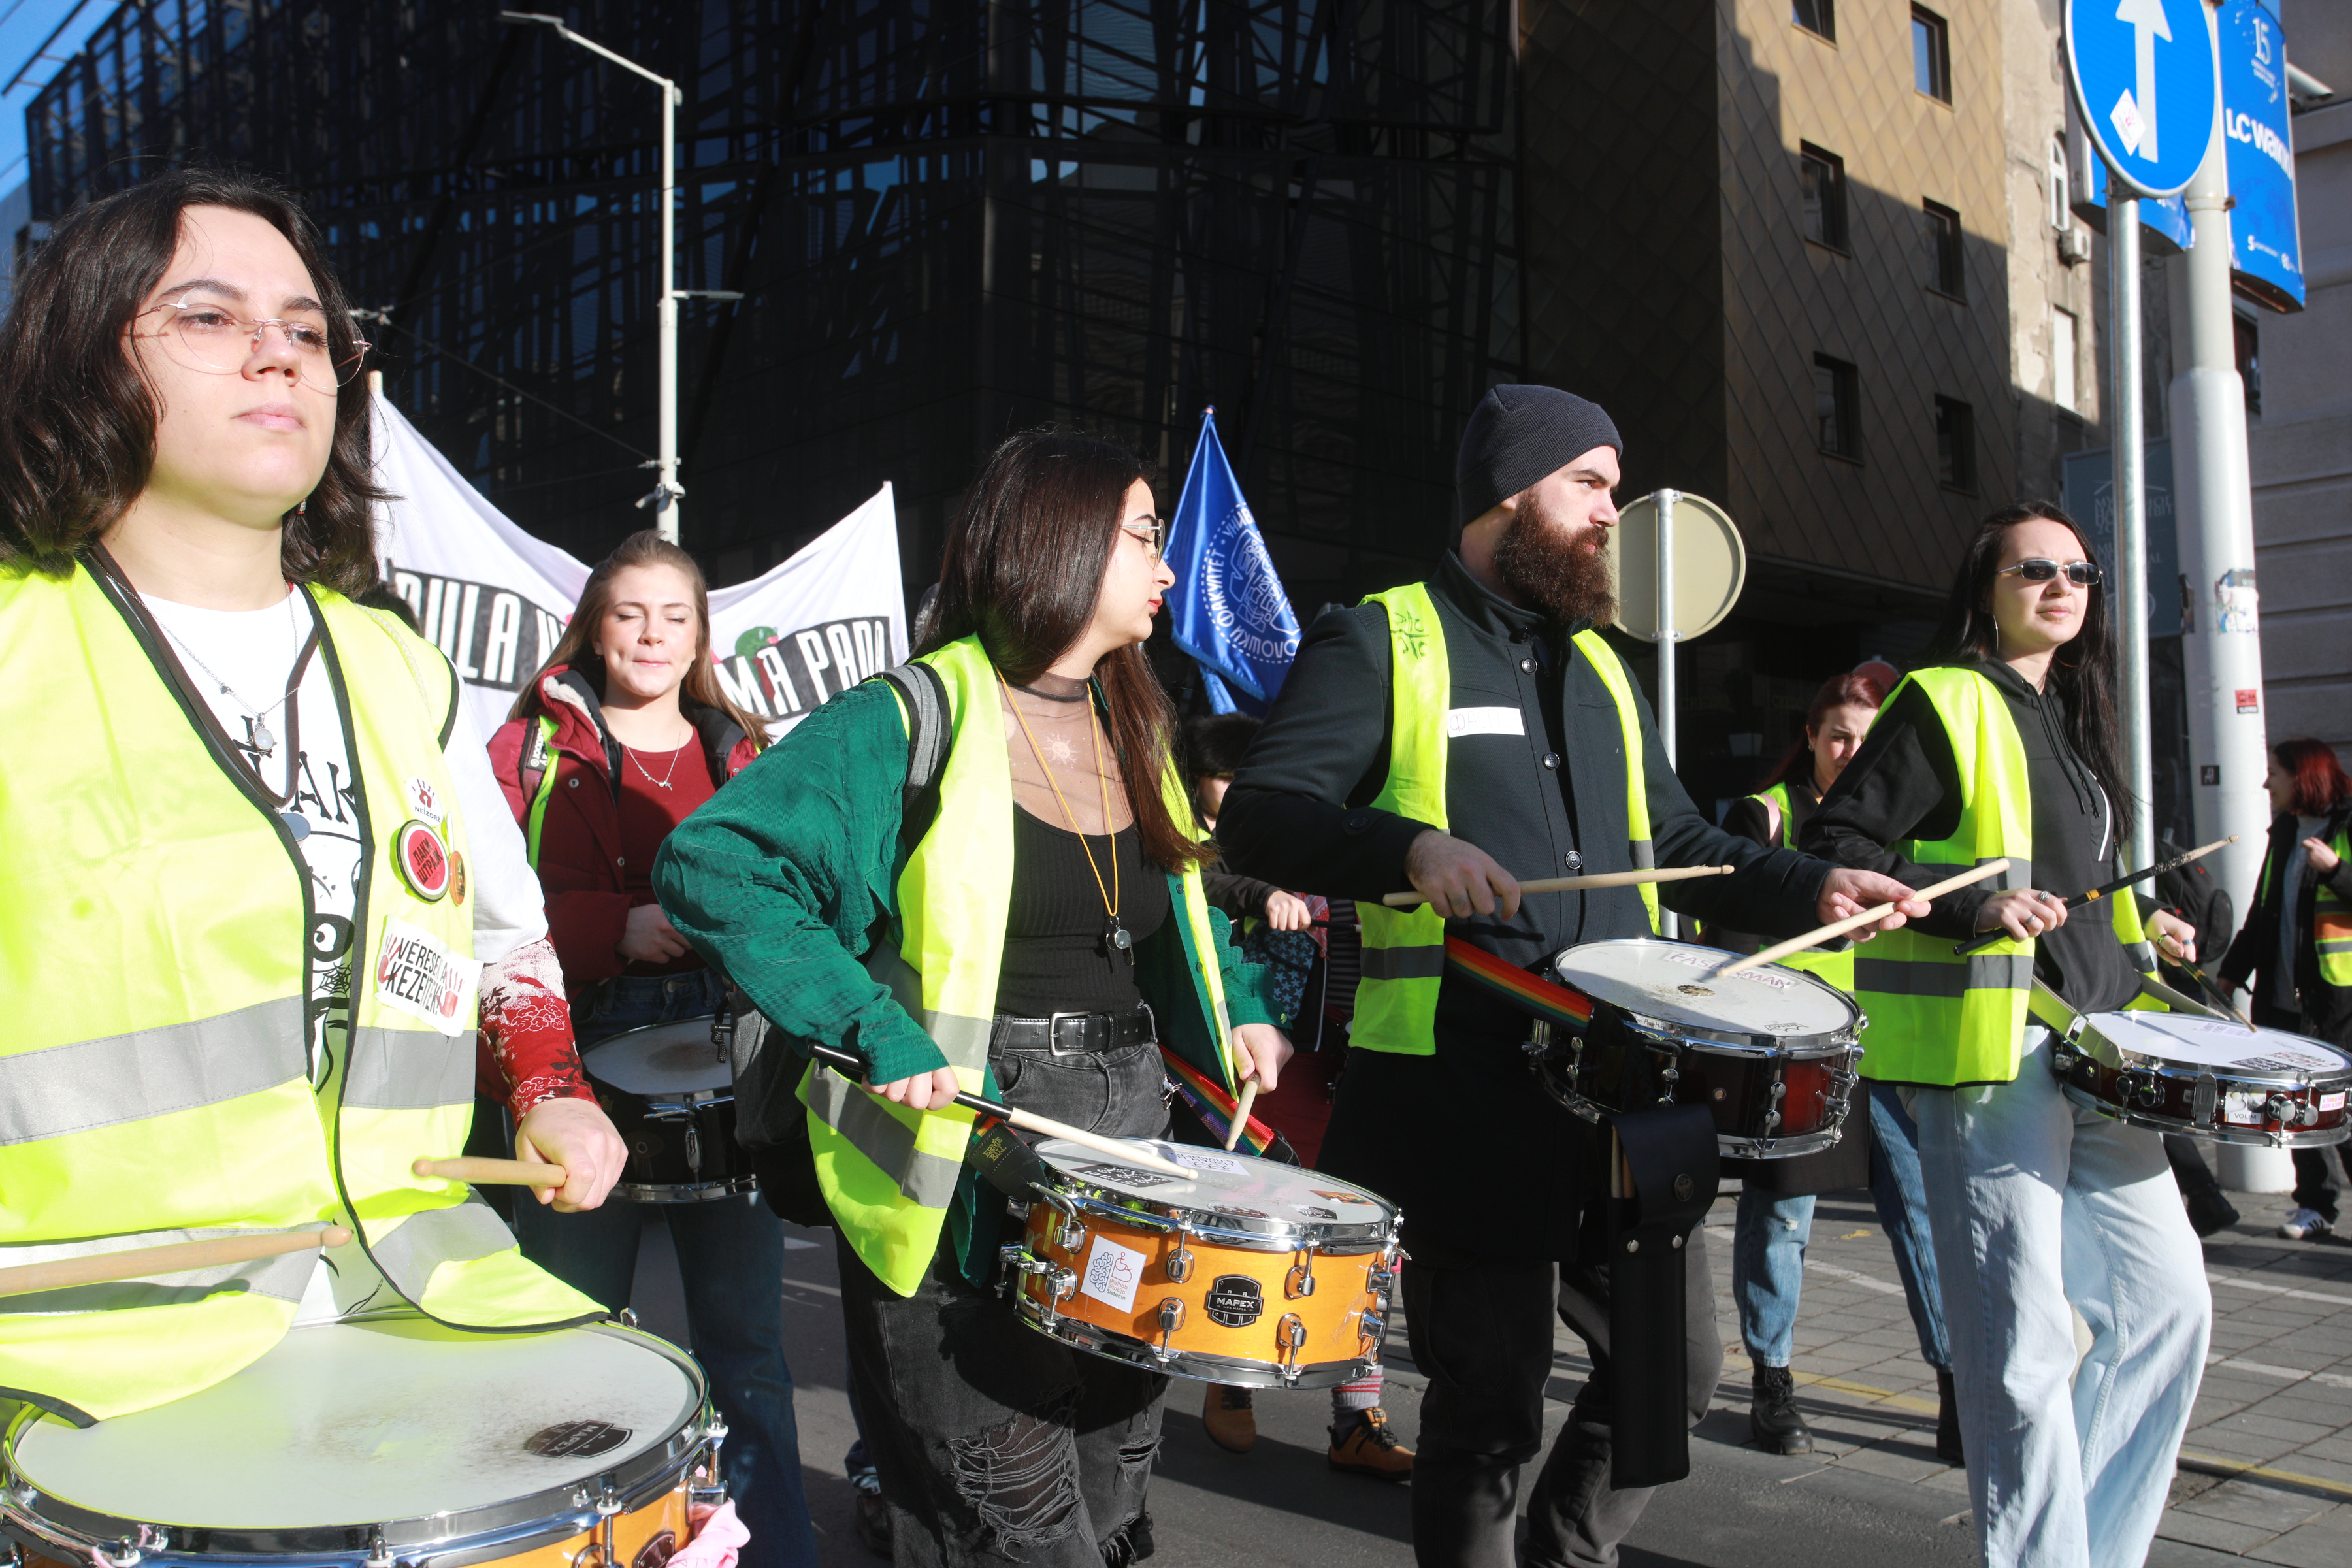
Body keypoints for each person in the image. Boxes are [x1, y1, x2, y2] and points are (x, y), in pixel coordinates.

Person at [1215, 384, 1929, 1568]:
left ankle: (1568, 1554)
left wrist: (1813, 887)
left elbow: (1682, 843)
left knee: (1675, 1375)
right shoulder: (1382, 637)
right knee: (1489, 1410)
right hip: (1464, 1096)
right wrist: (1408, 848)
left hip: (1628, 1094)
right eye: (1590, 484)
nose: (1611, 513)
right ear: (1510, 491)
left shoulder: (1601, 664)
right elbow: (1262, 818)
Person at [0, 169, 625, 1425]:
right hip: (93, 1355)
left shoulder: (402, 667)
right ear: (82, 356)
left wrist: (552, 1089)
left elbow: (504, 938)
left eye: (306, 329)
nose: (278, 354)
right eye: (209, 316)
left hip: (414, 1294)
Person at [653, 430, 1291, 1567]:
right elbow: (716, 864)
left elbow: (1176, 908)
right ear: (1061, 540)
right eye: (1145, 536)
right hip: (957, 1163)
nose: (1164, 566)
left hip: (1127, 1164)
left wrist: (1234, 1007)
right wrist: (872, 1027)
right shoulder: (906, 716)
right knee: (1010, 1528)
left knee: (1111, 1508)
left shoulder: (1136, 720)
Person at [1803, 502, 2209, 1568]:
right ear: (1988, 586)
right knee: (2021, 1356)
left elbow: (2077, 888)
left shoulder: (2073, 717)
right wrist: (1973, 908)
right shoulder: (1943, 697)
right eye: (2036, 569)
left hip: (2100, 1053)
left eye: (2079, 572)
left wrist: (2146, 925)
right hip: (1997, 1062)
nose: (2063, 586)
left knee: (2168, 1313)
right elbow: (1838, 841)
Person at [485, 531, 819, 1568]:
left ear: (702, 635)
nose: (651, 635)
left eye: (675, 616)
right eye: (629, 614)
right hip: (570, 1068)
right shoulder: (529, 751)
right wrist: (612, 926)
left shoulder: (746, 753)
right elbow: (480, 906)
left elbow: (793, 895)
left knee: (748, 1351)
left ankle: (774, 1554)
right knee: (570, 1348)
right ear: (595, 628)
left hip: (730, 1071)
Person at [1706, 670, 1961, 1466]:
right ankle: (1772, 1380)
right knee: (1783, 1218)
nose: (1852, 752)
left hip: (1884, 1049)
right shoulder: (1767, 815)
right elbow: (1728, 932)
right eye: (1839, 735)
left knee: (1921, 1215)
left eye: (1866, 740)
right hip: (1797, 1055)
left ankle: (1957, 1386)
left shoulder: (1905, 823)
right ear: (1812, 737)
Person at [1180, 715, 1412, 1480]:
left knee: (1372, 1242)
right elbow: (1201, 882)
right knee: (1260, 1225)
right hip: (1277, 1063)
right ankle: (1232, 1374)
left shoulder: (1332, 825)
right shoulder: (1215, 839)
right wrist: (1263, 892)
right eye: (1226, 778)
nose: (1239, 791)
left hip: (1358, 1052)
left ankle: (1357, 1417)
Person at [2219, 738, 2352, 1240]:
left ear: (2303, 775)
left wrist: (2335, 871)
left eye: (2274, 773)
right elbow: (2264, 908)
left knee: (2342, 1106)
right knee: (2294, 1106)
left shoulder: (2346, 825)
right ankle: (2315, 1205)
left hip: (2337, 999)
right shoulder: (2288, 829)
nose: (2265, 783)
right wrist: (2232, 971)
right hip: (2280, 996)